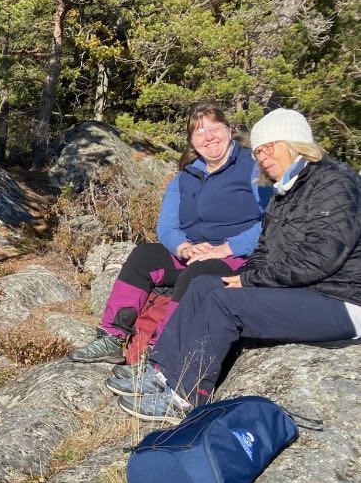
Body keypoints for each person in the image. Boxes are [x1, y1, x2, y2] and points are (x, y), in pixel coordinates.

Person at [111, 108, 361, 423]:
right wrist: (243, 275)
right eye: (258, 149)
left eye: (271, 145)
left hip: (341, 300)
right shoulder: (284, 192)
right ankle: (163, 373)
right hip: (303, 290)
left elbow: (322, 257)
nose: (263, 155)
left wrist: (254, 279)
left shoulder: (334, 181)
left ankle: (184, 397)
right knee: (204, 285)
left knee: (224, 304)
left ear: (296, 142)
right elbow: (265, 247)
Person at [69, 103, 268, 365]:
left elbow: (271, 221)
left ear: (229, 130)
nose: (208, 137)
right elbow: (166, 227)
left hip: (236, 257)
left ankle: (159, 354)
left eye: (215, 128)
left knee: (197, 275)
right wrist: (183, 247)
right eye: (199, 132)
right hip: (193, 252)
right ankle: (113, 337)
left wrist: (226, 248)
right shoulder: (185, 177)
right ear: (192, 142)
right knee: (143, 256)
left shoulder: (254, 169)